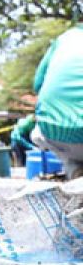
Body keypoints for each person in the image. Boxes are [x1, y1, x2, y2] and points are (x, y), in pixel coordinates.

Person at [29, 24, 83, 179]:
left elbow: (37, 85)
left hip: (57, 135)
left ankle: (74, 169)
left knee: (38, 131)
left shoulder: (64, 39)